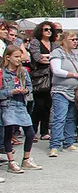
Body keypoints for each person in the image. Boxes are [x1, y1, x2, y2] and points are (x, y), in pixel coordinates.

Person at [1, 46, 41, 174]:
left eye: (20, 56)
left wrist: (26, 90)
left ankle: (26, 159)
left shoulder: (23, 72)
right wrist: (10, 91)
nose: (19, 59)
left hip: (20, 104)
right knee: (9, 132)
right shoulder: (3, 73)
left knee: (30, 132)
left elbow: (29, 86)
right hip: (8, 104)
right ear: (8, 58)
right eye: (16, 57)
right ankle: (11, 161)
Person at [48, 31, 78, 157]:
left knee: (71, 118)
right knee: (59, 118)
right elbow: (57, 71)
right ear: (64, 40)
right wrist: (75, 75)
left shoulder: (74, 55)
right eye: (72, 39)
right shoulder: (57, 53)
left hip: (72, 91)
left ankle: (69, 143)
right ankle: (55, 145)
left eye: (76, 39)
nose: (75, 41)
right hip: (60, 91)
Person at [27, 21, 54, 142]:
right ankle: (32, 131)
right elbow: (38, 58)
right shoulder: (35, 42)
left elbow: (55, 57)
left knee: (48, 105)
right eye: (46, 29)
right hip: (39, 77)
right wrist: (52, 60)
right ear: (40, 31)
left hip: (52, 77)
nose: (49, 31)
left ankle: (44, 131)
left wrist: (47, 58)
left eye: (50, 29)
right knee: (38, 106)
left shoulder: (53, 44)